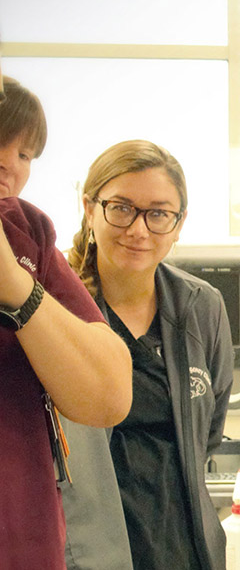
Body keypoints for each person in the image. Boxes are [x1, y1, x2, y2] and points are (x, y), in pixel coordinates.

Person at [67, 139, 234, 570]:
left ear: (178, 224)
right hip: (89, 550)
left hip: (185, 549)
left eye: (158, 213)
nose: (139, 230)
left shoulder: (202, 306)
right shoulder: (57, 308)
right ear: (90, 209)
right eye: (121, 208)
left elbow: (208, 433)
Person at [0, 73, 132, 569]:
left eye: (25, 154)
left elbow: (109, 393)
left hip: (24, 536)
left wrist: (15, 286)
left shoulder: (27, 233)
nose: (8, 164)